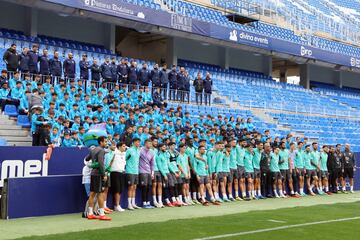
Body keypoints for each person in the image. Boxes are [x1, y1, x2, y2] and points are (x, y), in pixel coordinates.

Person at [85, 136, 112, 221]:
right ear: (101, 142)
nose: (106, 143)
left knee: (92, 194)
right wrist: (104, 174)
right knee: (100, 193)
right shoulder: (101, 150)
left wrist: (93, 163)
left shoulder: (93, 150)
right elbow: (101, 163)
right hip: (98, 174)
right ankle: (101, 214)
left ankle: (90, 213)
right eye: (105, 141)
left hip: (93, 173)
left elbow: (87, 159)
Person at [109, 142, 127, 212]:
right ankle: (117, 205)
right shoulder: (114, 153)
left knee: (120, 190)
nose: (124, 147)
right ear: (119, 147)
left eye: (125, 146)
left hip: (121, 172)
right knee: (117, 190)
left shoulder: (124, 154)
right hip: (115, 173)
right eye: (123, 146)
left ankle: (117, 205)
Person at [125, 138, 141, 210]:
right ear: (134, 142)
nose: (138, 143)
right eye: (137, 142)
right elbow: (124, 159)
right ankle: (129, 204)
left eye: (139, 142)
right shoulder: (129, 150)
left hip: (136, 171)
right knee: (130, 187)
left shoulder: (138, 150)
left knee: (134, 187)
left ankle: (133, 203)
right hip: (129, 171)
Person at [139, 139, 155, 208]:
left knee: (148, 187)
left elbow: (152, 163)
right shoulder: (140, 150)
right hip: (142, 171)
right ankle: (144, 203)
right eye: (149, 143)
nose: (150, 145)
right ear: (145, 143)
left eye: (151, 143)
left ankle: (148, 202)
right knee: (144, 187)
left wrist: (152, 173)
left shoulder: (152, 152)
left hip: (149, 172)